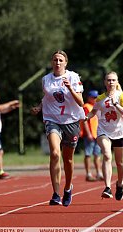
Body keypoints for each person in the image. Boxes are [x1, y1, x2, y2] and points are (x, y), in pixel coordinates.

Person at [31, 50, 84, 207]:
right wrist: (39, 107)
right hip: (52, 119)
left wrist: (70, 89)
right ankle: (55, 193)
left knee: (68, 159)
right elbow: (47, 97)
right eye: (55, 60)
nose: (58, 62)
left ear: (66, 63)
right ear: (51, 62)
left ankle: (68, 187)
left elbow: (80, 102)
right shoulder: (46, 80)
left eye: (61, 60)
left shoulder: (73, 77)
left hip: (71, 120)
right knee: (55, 153)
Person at [85, 72, 123, 200]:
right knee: (106, 154)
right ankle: (107, 187)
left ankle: (120, 183)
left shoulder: (121, 96)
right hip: (104, 131)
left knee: (119, 162)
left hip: (121, 132)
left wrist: (116, 104)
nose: (111, 82)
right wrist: (85, 117)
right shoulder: (100, 98)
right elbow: (94, 112)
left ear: (117, 82)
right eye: (108, 80)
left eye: (113, 80)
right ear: (105, 82)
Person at [80, 90, 103, 182]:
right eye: (93, 97)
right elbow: (84, 121)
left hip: (97, 133)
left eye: (96, 97)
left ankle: (99, 173)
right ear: (89, 98)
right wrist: (88, 133)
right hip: (90, 134)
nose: (95, 99)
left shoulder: (97, 107)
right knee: (88, 153)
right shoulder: (86, 107)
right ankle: (88, 173)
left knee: (97, 154)